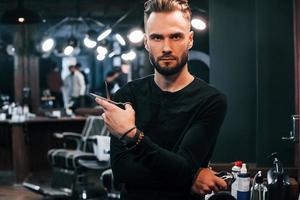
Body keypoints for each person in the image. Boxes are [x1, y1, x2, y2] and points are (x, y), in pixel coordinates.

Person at [96, 0, 227, 199]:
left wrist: (131, 135)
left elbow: (184, 166)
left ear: (190, 39)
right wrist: (187, 176)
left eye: (175, 36)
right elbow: (123, 172)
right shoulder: (127, 95)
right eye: (157, 37)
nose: (166, 47)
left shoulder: (210, 100)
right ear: (147, 42)